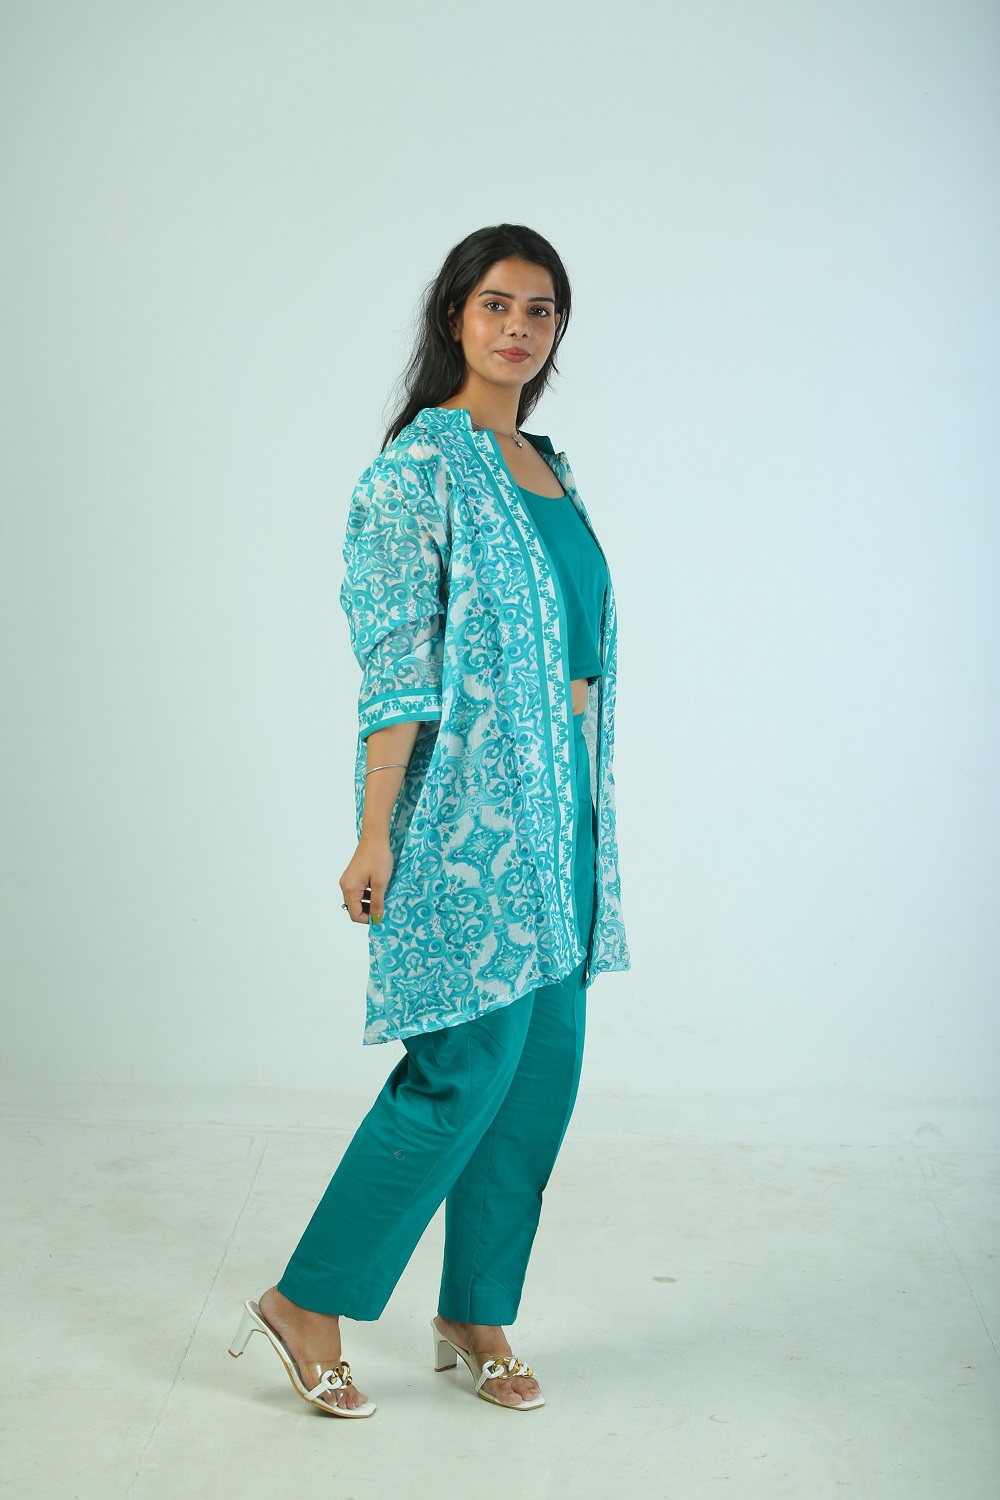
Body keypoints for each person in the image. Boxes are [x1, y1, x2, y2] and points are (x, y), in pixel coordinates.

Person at [228, 224, 630, 1417]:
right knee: (461, 1068)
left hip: (566, 812)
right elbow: (396, 670)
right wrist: (376, 831)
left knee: (540, 1075)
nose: (518, 327)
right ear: (453, 315)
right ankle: (308, 1299)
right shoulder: (415, 473)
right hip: (468, 822)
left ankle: (475, 1308)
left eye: (541, 310)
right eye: (496, 304)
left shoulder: (549, 467)